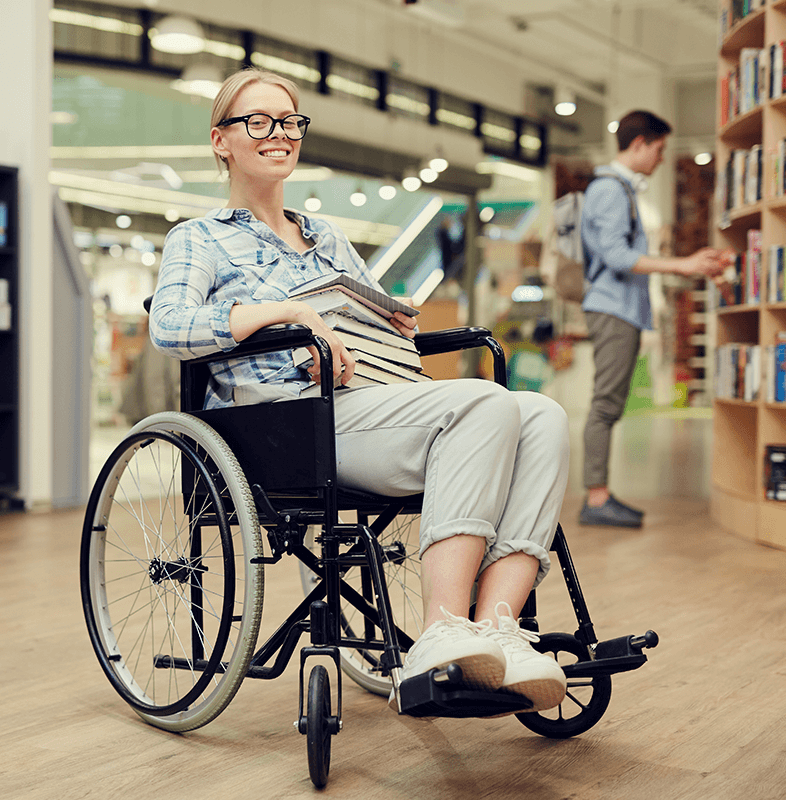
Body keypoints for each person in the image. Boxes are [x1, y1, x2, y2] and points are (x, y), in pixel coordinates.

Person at [149, 67, 570, 715]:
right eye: (258, 122)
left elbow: (363, 323)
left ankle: (497, 631)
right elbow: (170, 326)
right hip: (279, 430)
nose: (279, 134)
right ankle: (441, 631)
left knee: (541, 414)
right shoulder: (200, 239)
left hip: (357, 404)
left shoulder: (329, 239)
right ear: (221, 141)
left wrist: (386, 318)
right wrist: (284, 314)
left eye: (289, 122)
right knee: (483, 401)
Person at [578, 110, 729, 528]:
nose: (662, 159)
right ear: (640, 143)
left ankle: (599, 494)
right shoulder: (610, 190)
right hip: (612, 308)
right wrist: (683, 265)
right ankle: (595, 498)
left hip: (617, 308)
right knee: (605, 404)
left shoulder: (617, 189)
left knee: (608, 403)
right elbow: (617, 257)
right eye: (659, 149)